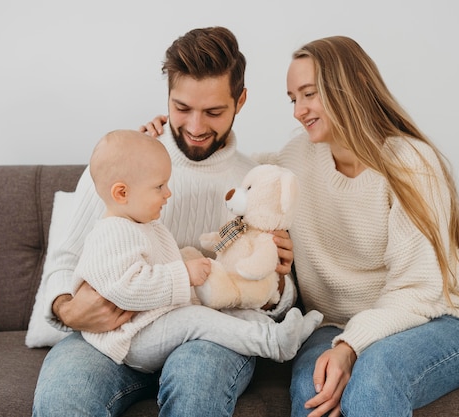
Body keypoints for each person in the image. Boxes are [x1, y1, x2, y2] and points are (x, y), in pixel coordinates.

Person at [33, 27, 299, 417]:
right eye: (182, 108)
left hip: (209, 332)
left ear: (240, 101)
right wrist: (66, 309)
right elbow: (65, 258)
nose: (194, 126)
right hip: (115, 337)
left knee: (196, 390)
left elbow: (277, 295)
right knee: (63, 398)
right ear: (168, 97)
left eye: (213, 112)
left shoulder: (255, 181)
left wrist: (279, 281)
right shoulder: (123, 160)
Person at [263, 36, 459, 416]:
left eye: (309, 94)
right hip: (334, 326)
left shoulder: (411, 164)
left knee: (374, 376)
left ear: (355, 83)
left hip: (436, 321)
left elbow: (418, 290)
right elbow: (234, 171)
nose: (298, 111)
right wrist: (166, 140)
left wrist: (350, 347)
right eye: (293, 98)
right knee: (312, 388)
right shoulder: (296, 158)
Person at [75, 129, 321, 371]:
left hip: (156, 322)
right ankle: (272, 344)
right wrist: (184, 274)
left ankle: (284, 334)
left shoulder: (143, 226)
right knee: (198, 320)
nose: (168, 193)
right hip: (134, 336)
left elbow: (157, 267)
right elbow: (126, 289)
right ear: (122, 193)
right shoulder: (111, 234)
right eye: (159, 186)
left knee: (228, 310)